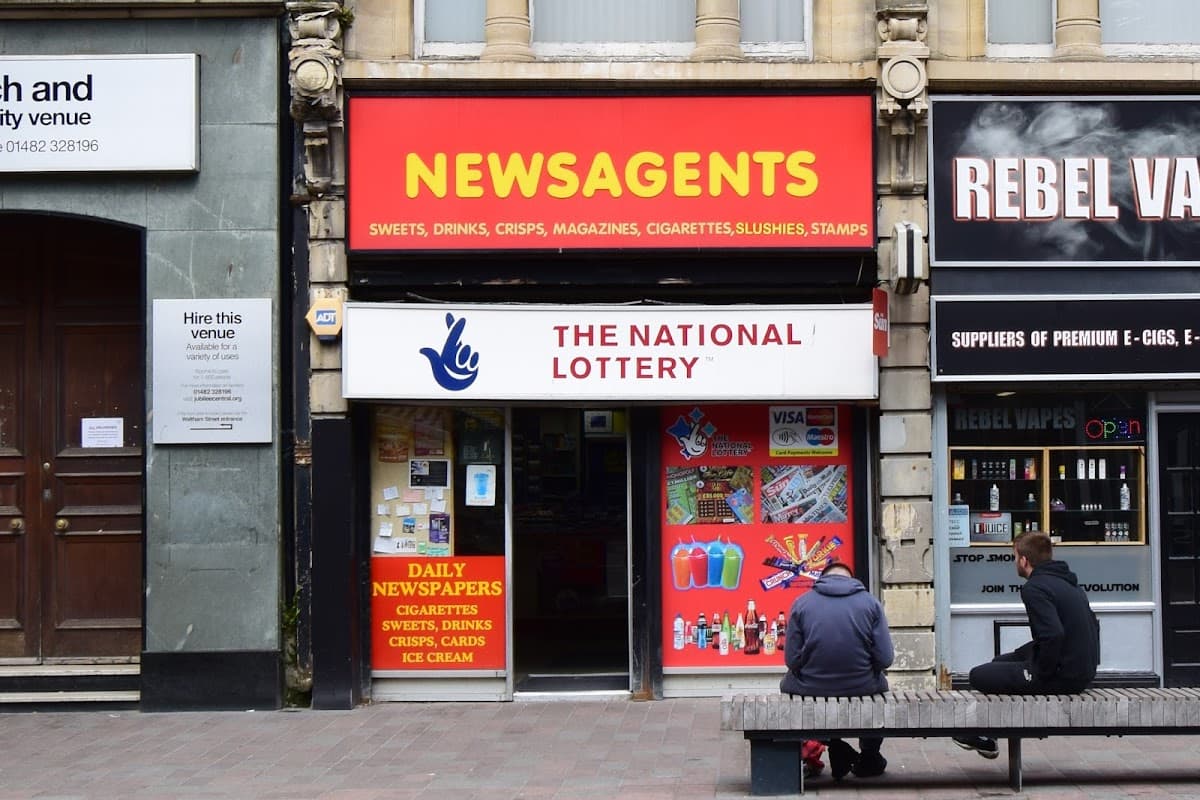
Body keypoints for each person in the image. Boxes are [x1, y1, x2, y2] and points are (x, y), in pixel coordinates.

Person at [955, 530, 1101, 759]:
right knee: (1000, 662)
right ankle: (988, 735)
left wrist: (1039, 672)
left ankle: (985, 734)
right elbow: (1092, 626)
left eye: (1015, 557)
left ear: (1024, 560)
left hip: (1063, 676)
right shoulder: (1069, 584)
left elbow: (1053, 635)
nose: (1015, 562)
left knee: (978, 675)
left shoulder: (1035, 588)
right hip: (1082, 670)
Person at [780, 560, 894, 781]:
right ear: (851, 580)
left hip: (810, 686)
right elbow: (885, 658)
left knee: (786, 684)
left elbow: (791, 661)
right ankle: (869, 755)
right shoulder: (871, 603)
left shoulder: (802, 603)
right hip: (862, 686)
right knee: (881, 686)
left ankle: (828, 743)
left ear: (823, 579)